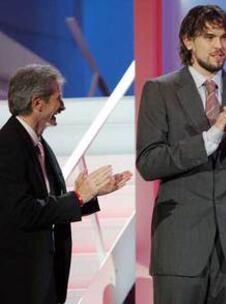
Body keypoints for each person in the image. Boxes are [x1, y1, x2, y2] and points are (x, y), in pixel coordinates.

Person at [136, 5, 226, 304]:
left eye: (224, 37)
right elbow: (148, 163)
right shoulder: (159, 90)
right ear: (187, 40)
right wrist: (210, 138)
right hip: (180, 247)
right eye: (209, 37)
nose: (219, 46)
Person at [0, 64, 132, 304]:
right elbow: (23, 211)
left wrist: (90, 194)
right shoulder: (7, 146)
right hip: (20, 284)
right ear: (37, 103)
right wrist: (79, 197)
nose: (62, 107)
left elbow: (46, 205)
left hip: (43, 280)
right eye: (57, 99)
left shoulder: (38, 144)